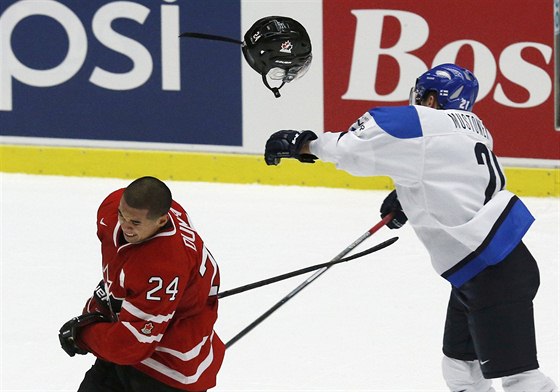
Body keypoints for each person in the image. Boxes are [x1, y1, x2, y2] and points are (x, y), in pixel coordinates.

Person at [263, 63, 558, 392]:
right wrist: (411, 195)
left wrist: (306, 145)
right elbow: (456, 182)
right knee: (460, 371)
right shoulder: (475, 130)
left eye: (421, 96)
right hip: (483, 270)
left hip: (491, 274)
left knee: (522, 381)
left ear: (432, 99)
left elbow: (353, 150)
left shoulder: (424, 122)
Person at [59, 176, 225, 391]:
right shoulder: (114, 210)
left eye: (135, 223)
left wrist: (84, 335)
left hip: (167, 369)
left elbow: (130, 345)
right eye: (122, 215)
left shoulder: (162, 265)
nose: (125, 226)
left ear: (161, 221)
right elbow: (123, 264)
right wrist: (110, 299)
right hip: (126, 343)